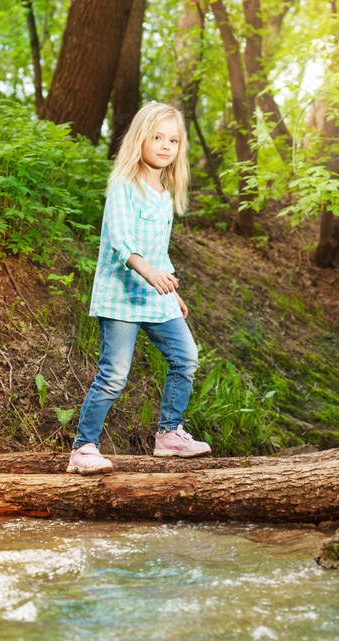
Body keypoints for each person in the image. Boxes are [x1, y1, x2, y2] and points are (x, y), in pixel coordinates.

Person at [67, 102, 210, 475]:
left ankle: (169, 434)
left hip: (156, 295)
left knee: (187, 357)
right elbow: (121, 240)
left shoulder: (164, 193)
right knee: (114, 374)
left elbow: (158, 250)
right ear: (140, 140)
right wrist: (148, 271)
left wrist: (171, 288)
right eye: (157, 137)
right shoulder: (124, 186)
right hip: (122, 297)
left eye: (173, 140)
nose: (165, 146)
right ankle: (83, 448)